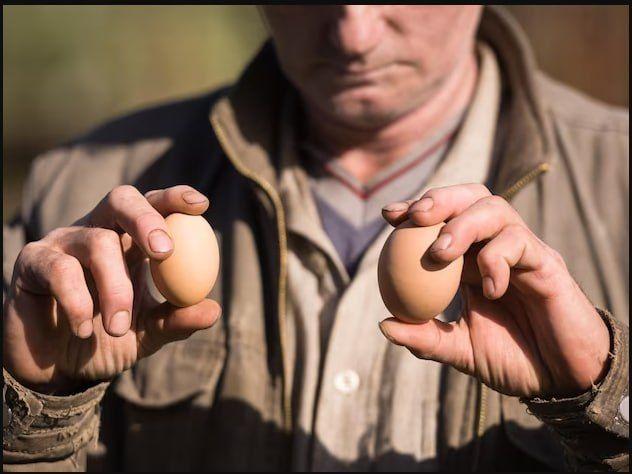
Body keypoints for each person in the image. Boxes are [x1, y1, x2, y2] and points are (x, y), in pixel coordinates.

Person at [2, 5, 628, 472]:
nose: (352, 32)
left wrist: (609, 402)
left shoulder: (617, 190)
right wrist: (35, 412)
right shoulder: (76, 198)